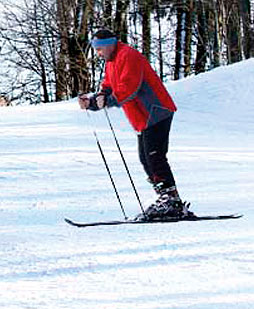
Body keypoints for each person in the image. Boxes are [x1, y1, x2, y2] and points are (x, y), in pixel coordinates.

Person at [78, 28, 189, 220]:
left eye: (99, 49)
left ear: (110, 44)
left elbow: (129, 88)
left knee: (155, 157)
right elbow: (108, 87)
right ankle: (167, 199)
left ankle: (171, 201)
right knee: (146, 158)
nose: (98, 53)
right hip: (141, 118)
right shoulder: (111, 62)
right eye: (96, 49)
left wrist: (107, 100)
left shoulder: (128, 55)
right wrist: (93, 101)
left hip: (155, 111)